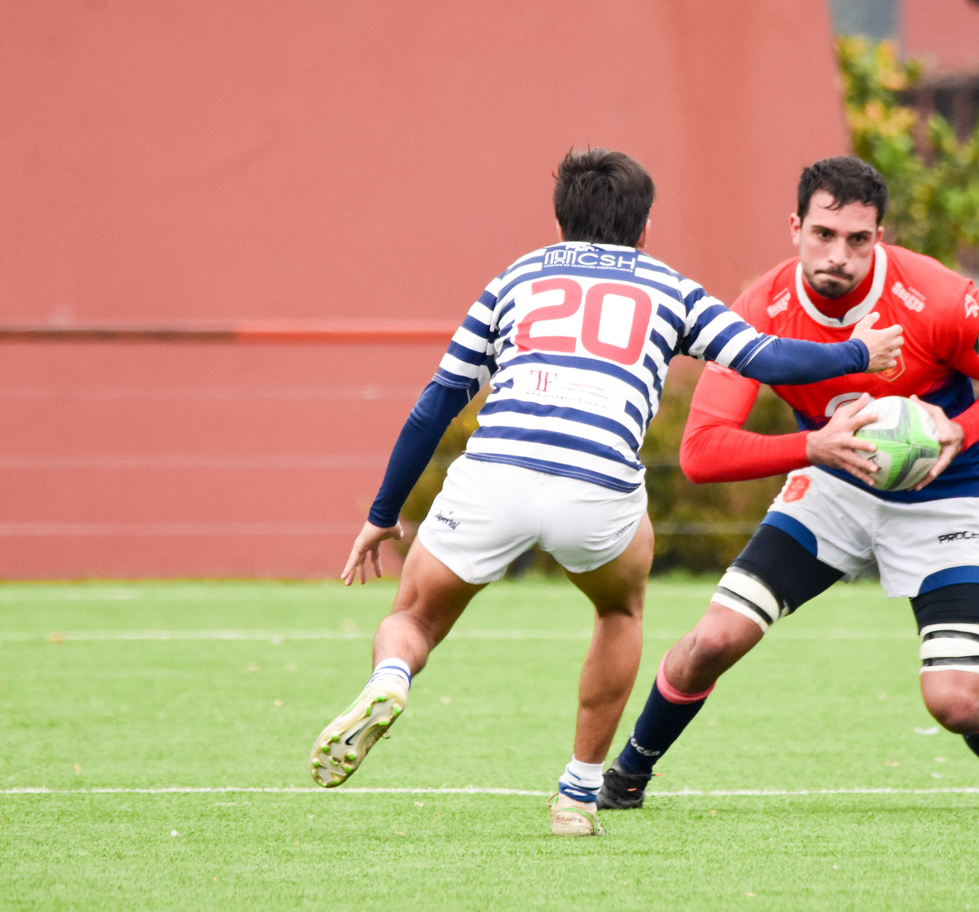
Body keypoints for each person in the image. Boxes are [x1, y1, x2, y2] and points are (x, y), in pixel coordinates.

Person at [310, 148, 904, 836]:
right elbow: (762, 355)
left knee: (413, 617)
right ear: (645, 225)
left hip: (496, 471)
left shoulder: (516, 276)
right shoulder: (670, 287)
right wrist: (858, 352)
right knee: (619, 610)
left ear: (559, 221)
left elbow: (436, 403)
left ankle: (391, 679)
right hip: (597, 486)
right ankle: (578, 794)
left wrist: (383, 515)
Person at [598, 156, 979, 811]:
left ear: (881, 235)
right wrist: (813, 446)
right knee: (713, 639)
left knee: (953, 700)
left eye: (857, 238)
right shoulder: (761, 308)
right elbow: (701, 452)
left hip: (945, 493)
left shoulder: (934, 293)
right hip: (833, 485)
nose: (838, 254)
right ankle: (626, 777)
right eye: (823, 234)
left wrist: (959, 428)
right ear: (795, 227)